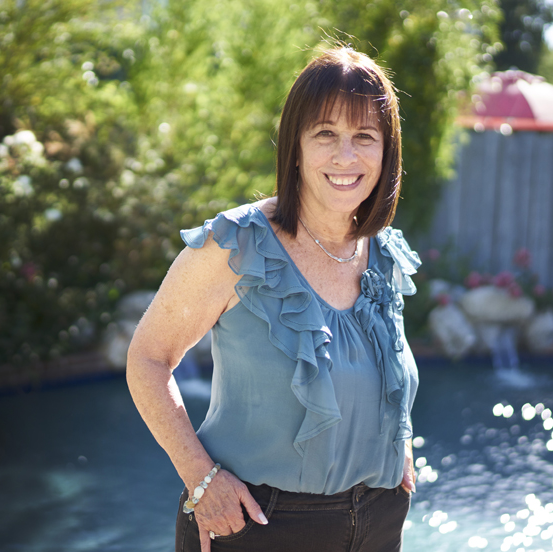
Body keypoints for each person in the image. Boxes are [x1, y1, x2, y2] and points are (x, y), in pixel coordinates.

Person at [127, 46, 422, 552]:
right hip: (257, 528)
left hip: (377, 523)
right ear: (296, 145)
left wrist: (397, 451)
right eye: (325, 134)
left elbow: (379, 379)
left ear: (386, 151)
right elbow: (148, 360)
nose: (345, 156)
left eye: (364, 137)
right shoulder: (236, 244)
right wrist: (201, 479)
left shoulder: (384, 252)